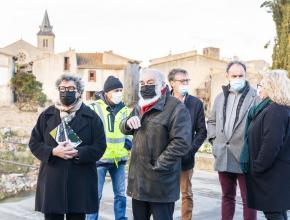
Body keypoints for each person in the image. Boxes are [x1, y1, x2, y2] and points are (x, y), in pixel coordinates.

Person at [29, 74, 106, 220]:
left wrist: (78, 152)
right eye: (62, 88)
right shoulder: (47, 115)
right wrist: (53, 151)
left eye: (71, 88)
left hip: (80, 182)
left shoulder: (92, 117)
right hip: (52, 181)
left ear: (79, 92)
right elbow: (34, 143)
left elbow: (100, 146)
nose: (66, 91)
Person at [120, 68, 192, 220]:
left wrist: (158, 165)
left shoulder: (176, 108)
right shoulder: (140, 106)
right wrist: (127, 123)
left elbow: (181, 142)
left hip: (161, 184)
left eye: (150, 83)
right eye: (142, 83)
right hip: (139, 183)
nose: (145, 86)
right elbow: (124, 127)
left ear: (162, 85)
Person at [207, 61, 258, 220]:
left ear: (245, 75)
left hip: (245, 156)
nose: (237, 78)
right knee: (227, 196)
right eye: (234, 75)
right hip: (223, 153)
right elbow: (212, 121)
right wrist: (214, 141)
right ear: (227, 76)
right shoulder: (220, 97)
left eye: (240, 75)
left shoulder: (255, 97)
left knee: (249, 200)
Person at [241, 69, 290, 220]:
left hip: (271, 173)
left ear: (272, 86)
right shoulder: (278, 108)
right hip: (275, 171)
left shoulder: (276, 110)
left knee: (274, 212)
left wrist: (257, 166)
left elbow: (271, 143)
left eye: (262, 85)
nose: (259, 89)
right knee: (277, 212)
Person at [86, 76, 132, 220]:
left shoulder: (125, 109)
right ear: (107, 92)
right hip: (99, 160)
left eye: (120, 90)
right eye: (116, 90)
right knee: (95, 195)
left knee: (120, 195)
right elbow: (84, 129)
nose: (119, 93)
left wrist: (129, 140)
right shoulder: (93, 107)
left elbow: (131, 129)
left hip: (119, 159)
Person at [168, 68, 207, 220]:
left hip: (186, 158)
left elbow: (202, 131)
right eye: (181, 81)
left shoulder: (195, 103)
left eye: (187, 81)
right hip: (166, 157)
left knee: (186, 193)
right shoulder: (163, 101)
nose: (185, 84)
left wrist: (189, 151)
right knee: (166, 194)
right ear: (172, 83)